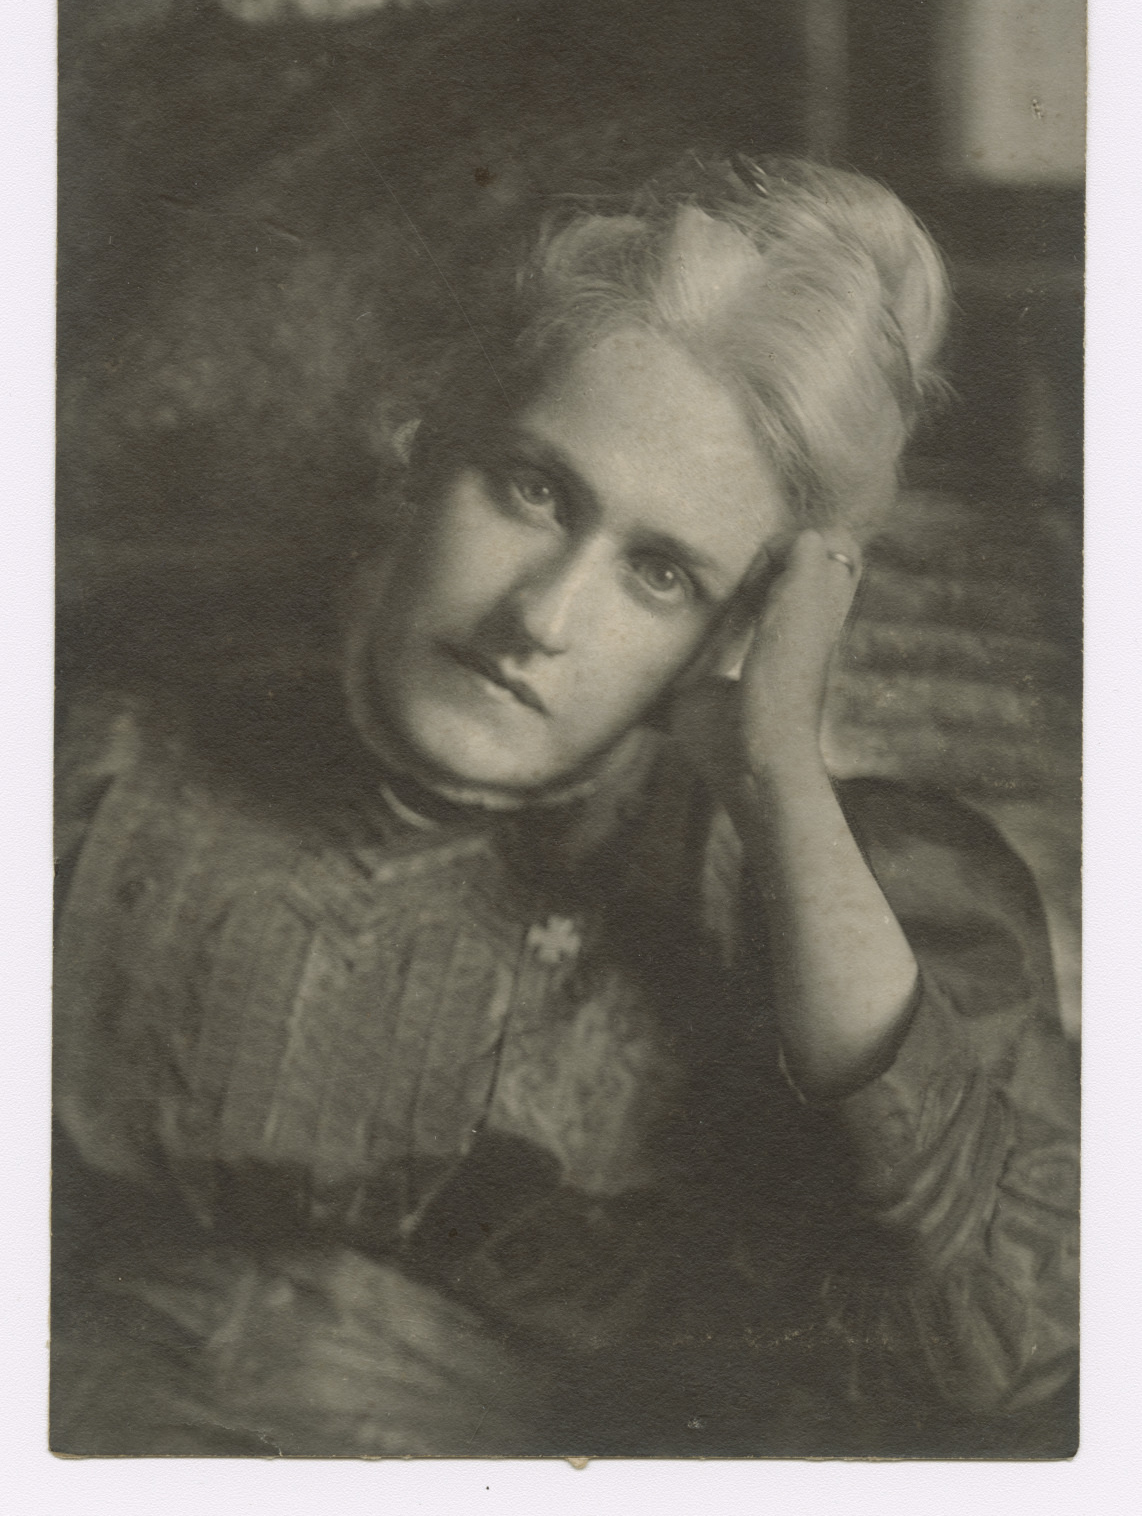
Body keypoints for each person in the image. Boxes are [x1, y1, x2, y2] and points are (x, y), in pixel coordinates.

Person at [51, 155, 1078, 1458]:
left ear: (742, 625)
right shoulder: (103, 761)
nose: (538, 618)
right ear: (430, 448)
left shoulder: (837, 894)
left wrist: (776, 777)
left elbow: (1023, 1363)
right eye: (532, 489)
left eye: (658, 573)